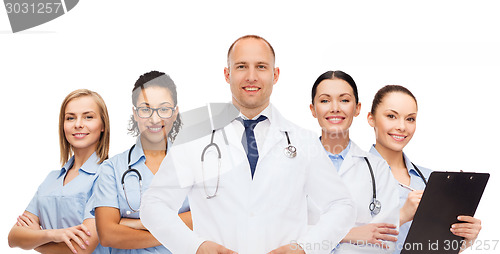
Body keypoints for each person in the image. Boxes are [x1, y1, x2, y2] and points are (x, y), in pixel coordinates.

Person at [140, 35, 356, 254]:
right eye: (242, 66)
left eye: (261, 67)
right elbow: (153, 205)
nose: (251, 77)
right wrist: (195, 247)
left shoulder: (302, 141)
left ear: (275, 74)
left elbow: (342, 207)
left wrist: (304, 249)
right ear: (227, 74)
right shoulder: (196, 136)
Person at [367, 85, 482, 253]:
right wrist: (401, 216)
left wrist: (464, 239)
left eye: (410, 119)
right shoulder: (348, 175)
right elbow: (335, 243)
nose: (402, 127)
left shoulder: (431, 180)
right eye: (391, 116)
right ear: (371, 119)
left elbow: (435, 247)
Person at [91, 71, 191, 253]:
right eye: (146, 109)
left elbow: (205, 219)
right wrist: (173, 229)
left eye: (164, 109)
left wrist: (137, 224)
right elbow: (107, 235)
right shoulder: (112, 169)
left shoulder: (194, 164)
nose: (154, 119)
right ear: (135, 114)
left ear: (175, 112)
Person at [8, 89, 111, 254]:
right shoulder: (51, 179)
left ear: (103, 125)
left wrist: (35, 241)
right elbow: (13, 238)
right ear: (63, 126)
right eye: (70, 118)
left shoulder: (108, 176)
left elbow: (82, 247)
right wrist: (53, 234)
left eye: (88, 117)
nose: (78, 124)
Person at [309, 71, 400, 253]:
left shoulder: (378, 169)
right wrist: (350, 234)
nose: (335, 108)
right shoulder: (292, 165)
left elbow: (386, 241)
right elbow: (281, 233)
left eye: (344, 100)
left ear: (357, 108)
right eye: (325, 100)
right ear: (313, 110)